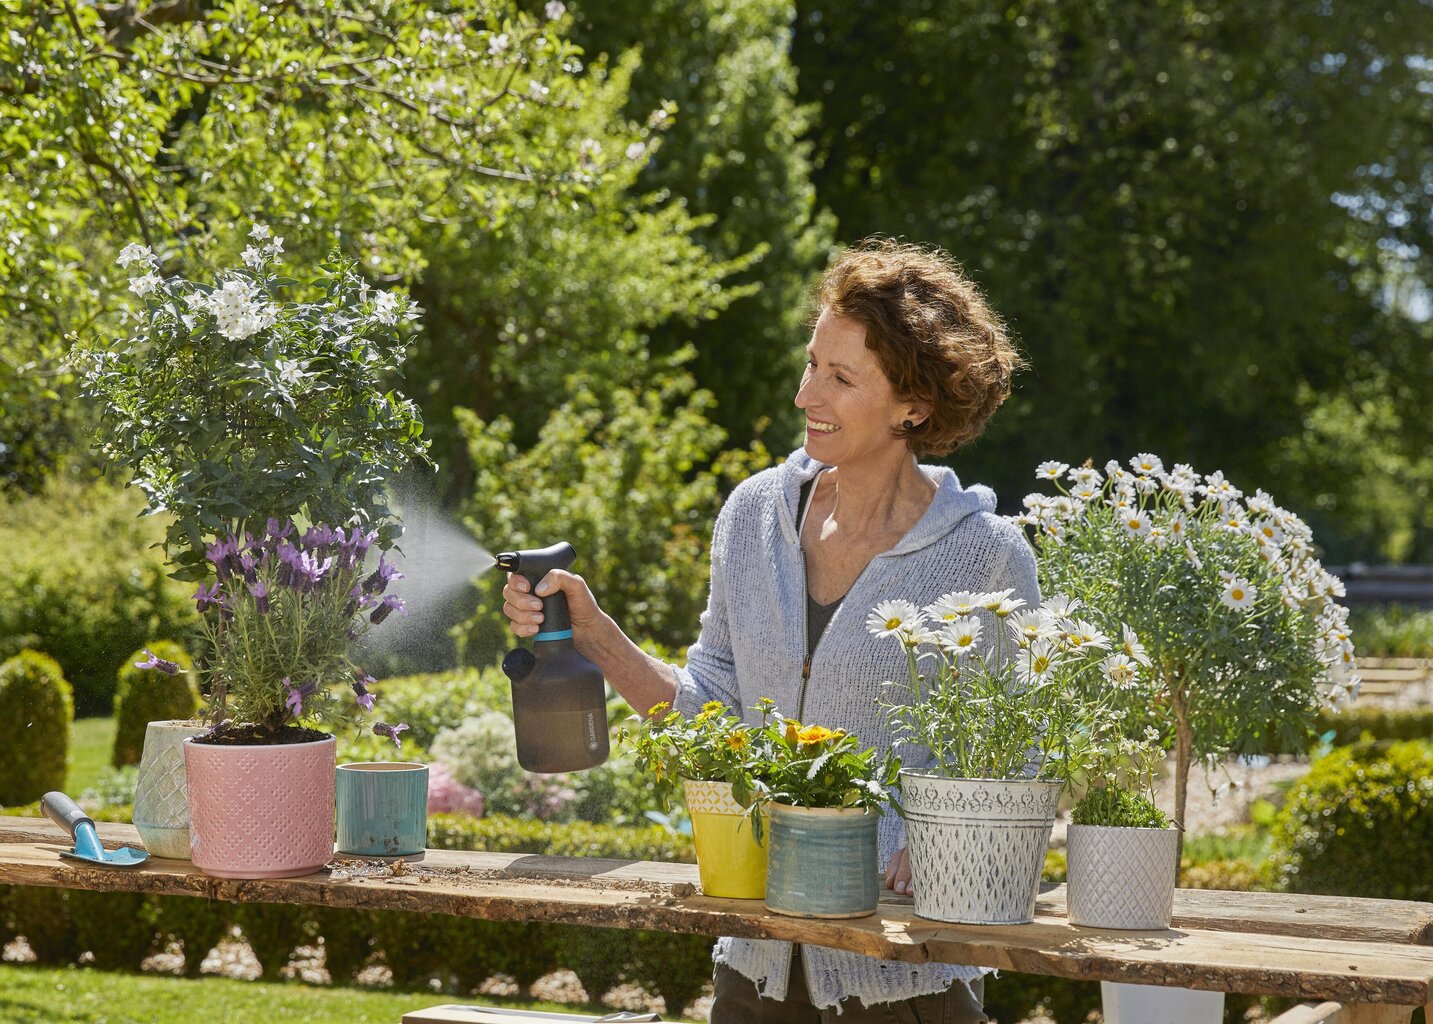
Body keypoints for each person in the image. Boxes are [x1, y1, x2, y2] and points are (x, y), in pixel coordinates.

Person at [502, 237, 1039, 1023]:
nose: (804, 394)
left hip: (904, 971)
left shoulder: (985, 555)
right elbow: (709, 720)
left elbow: (1021, 749)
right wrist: (597, 638)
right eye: (811, 363)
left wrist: (949, 847)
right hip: (752, 963)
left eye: (840, 376)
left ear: (913, 405)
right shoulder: (754, 514)